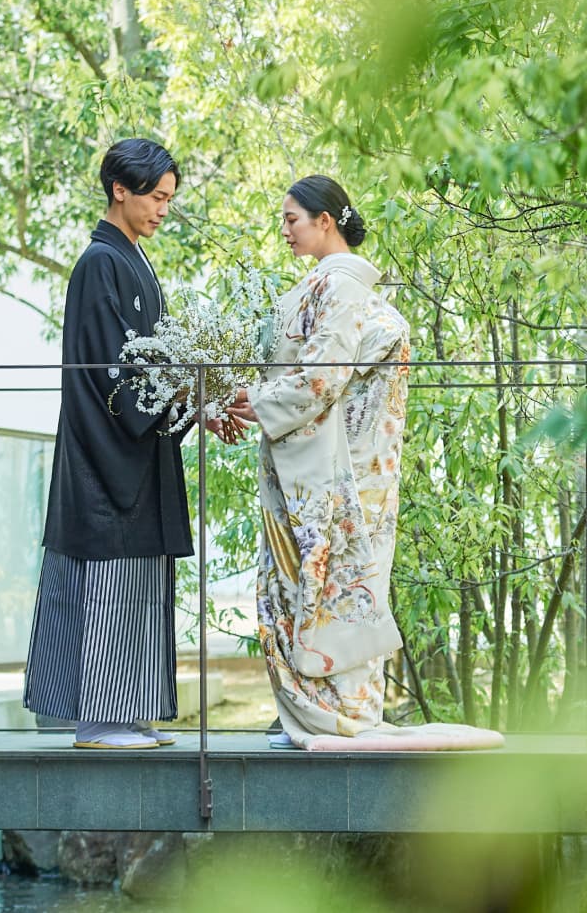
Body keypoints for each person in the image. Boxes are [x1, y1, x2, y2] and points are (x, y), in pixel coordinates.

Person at [24, 138, 235, 749]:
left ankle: (126, 712)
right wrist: (186, 396)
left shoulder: (131, 260)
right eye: (156, 197)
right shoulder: (100, 262)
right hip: (105, 452)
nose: (164, 209)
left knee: (135, 581)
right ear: (120, 190)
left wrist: (196, 401)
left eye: (169, 198)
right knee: (109, 578)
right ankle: (99, 719)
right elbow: (112, 367)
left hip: (134, 448)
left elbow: (150, 362)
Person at [228, 175, 411, 748]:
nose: (285, 230)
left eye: (292, 219)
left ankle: (333, 717)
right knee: (332, 584)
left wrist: (258, 401)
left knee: (330, 585)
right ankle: (324, 714)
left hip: (341, 467)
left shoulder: (341, 287)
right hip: (345, 460)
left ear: (324, 220)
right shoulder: (334, 285)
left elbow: (321, 378)